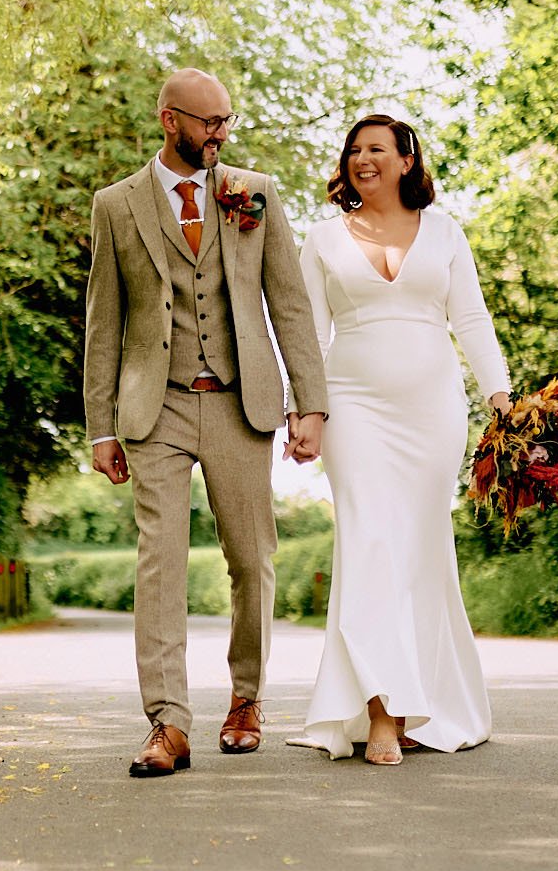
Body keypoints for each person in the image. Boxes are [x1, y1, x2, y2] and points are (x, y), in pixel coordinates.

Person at [84, 69, 329, 778]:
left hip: (239, 400)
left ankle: (247, 701)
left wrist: (307, 404)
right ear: (169, 120)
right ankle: (168, 723)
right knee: (159, 560)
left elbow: (289, 304)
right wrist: (102, 426)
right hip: (152, 405)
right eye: (208, 122)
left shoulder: (251, 192)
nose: (221, 133)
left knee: (252, 558)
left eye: (226, 120)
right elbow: (104, 323)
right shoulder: (116, 204)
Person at [285, 114, 510, 765]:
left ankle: (422, 703)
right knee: (368, 541)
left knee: (419, 548)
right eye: (355, 150)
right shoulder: (324, 238)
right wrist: (306, 412)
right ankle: (383, 712)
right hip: (352, 406)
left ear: (407, 159)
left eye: (377, 148)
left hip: (432, 408)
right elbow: (308, 335)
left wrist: (500, 395)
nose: (363, 158)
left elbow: (469, 315)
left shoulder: (444, 232)